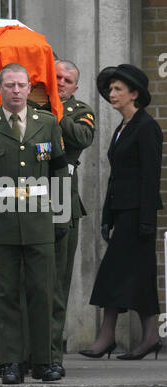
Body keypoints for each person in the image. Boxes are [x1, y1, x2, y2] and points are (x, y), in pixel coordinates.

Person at [0, 63, 70, 384]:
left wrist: (61, 217)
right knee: (4, 296)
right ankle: (10, 361)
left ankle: (44, 362)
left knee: (42, 292)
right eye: (9, 85)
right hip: (0, 224)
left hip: (39, 222)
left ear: (28, 87)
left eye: (21, 85)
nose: (15, 90)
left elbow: (59, 172)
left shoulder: (48, 124)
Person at [79, 64, 163, 360]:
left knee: (113, 273)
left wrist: (145, 221)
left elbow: (151, 177)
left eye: (118, 89)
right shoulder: (123, 127)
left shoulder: (147, 126)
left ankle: (107, 336)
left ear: (134, 94)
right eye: (111, 89)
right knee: (137, 276)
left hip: (138, 215)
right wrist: (107, 216)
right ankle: (149, 334)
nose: (112, 94)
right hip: (122, 211)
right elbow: (116, 177)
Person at [51, 60, 96, 375]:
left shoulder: (80, 110)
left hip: (64, 197)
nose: (61, 82)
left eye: (67, 80)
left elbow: (81, 138)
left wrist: (54, 108)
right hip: (29, 196)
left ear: (75, 87)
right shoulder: (29, 106)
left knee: (58, 280)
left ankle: (52, 350)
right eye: (55, 78)